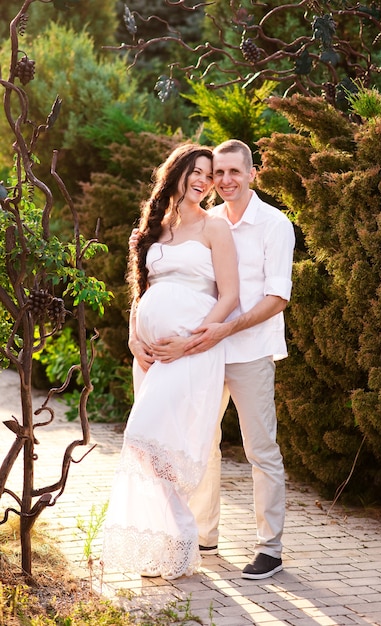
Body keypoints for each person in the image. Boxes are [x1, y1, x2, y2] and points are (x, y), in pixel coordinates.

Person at [145, 139, 295, 580]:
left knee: (259, 448)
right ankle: (205, 534)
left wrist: (226, 328)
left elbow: (277, 298)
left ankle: (270, 548)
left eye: (233, 172)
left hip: (247, 350)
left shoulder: (274, 224)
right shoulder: (205, 221)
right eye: (217, 174)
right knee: (200, 445)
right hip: (202, 353)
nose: (223, 181)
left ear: (252, 173)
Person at [101, 143, 239, 580]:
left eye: (209, 174)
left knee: (149, 439)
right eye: (196, 172)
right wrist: (132, 336)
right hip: (151, 358)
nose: (204, 180)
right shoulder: (152, 230)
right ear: (176, 174)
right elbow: (139, 292)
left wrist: (190, 341)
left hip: (192, 352)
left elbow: (230, 297)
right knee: (151, 449)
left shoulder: (215, 228)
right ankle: (165, 546)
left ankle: (180, 538)